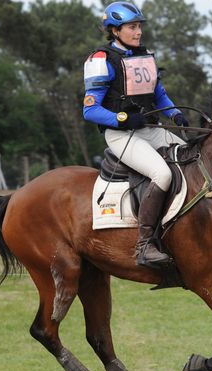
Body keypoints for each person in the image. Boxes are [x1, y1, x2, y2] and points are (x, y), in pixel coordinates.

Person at [82, 1, 189, 268]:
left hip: (151, 130)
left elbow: (159, 94)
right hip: (121, 135)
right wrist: (123, 118)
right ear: (115, 31)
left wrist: (175, 114)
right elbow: (90, 110)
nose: (138, 32)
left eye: (139, 26)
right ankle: (145, 245)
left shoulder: (145, 55)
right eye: (132, 27)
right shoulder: (101, 60)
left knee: (192, 157)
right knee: (162, 174)